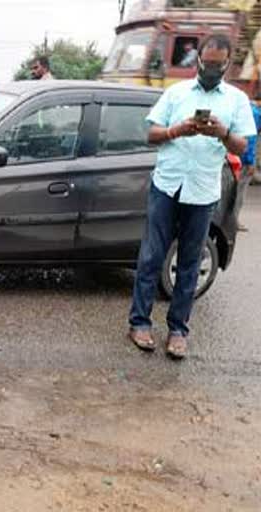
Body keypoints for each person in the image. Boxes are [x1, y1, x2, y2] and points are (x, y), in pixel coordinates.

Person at [127, 34, 257, 360]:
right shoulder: (176, 93)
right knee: (151, 257)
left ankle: (177, 331)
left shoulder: (237, 100)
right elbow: (151, 133)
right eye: (206, 62)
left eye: (218, 65)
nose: (211, 69)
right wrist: (177, 130)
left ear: (227, 64)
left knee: (188, 263)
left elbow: (243, 146)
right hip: (167, 186)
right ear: (197, 59)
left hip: (202, 192)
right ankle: (139, 323)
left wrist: (223, 133)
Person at [236, 100, 261, 231]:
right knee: (239, 191)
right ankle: (234, 221)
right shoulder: (256, 114)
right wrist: (251, 162)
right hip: (243, 160)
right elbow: (251, 137)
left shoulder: (245, 107)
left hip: (233, 156)